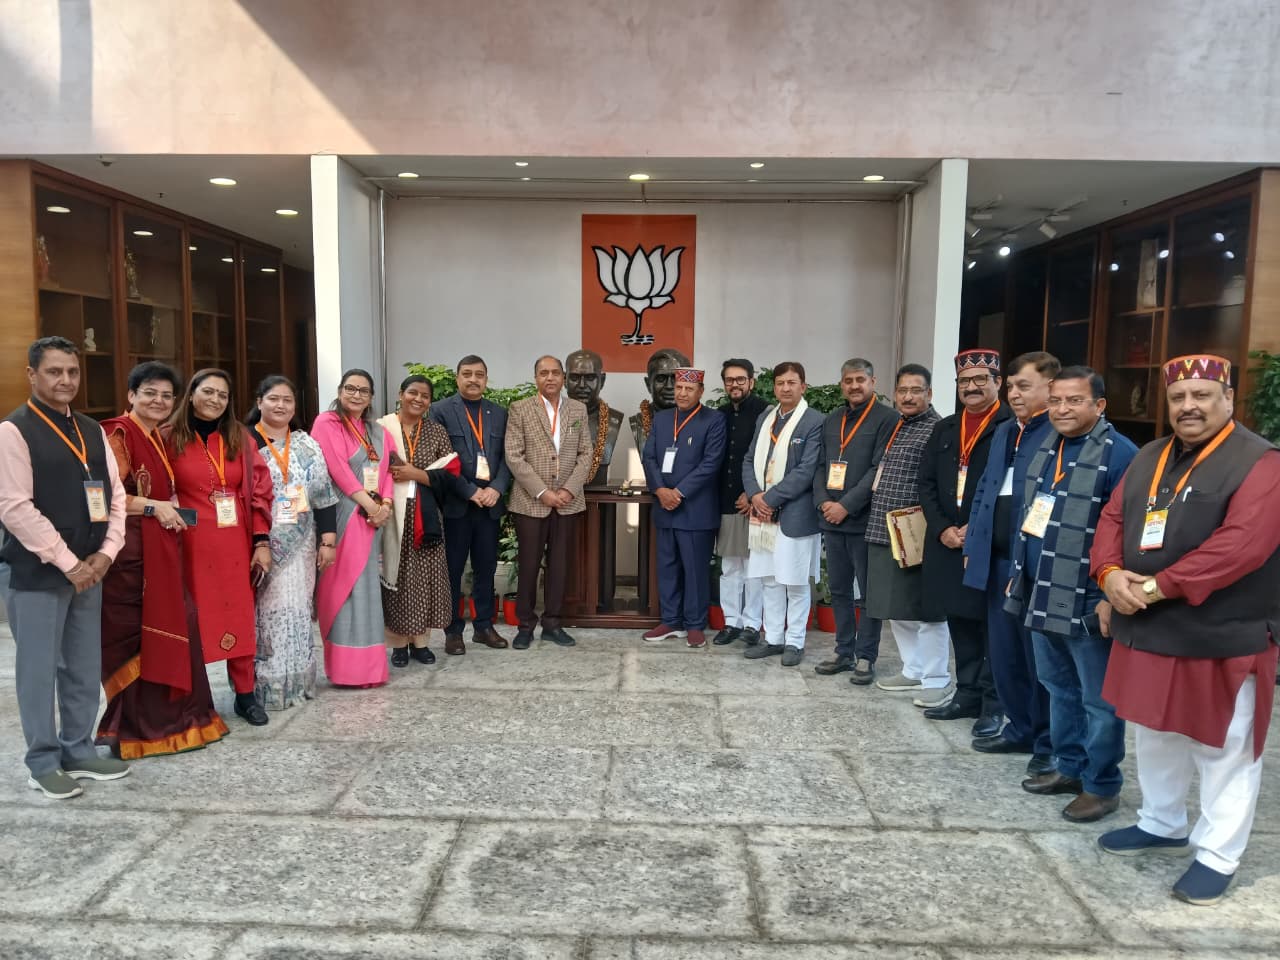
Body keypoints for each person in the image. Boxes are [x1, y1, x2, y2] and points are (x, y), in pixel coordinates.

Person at [1094, 355, 1280, 905]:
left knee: (1225, 744)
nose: (1188, 406)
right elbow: (1113, 518)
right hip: (1149, 626)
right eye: (1178, 397)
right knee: (1154, 731)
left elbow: (1241, 546)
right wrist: (1108, 575)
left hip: (1222, 630)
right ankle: (1162, 821)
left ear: (1228, 398)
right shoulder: (1149, 454)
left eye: (1202, 395)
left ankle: (1219, 854)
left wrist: (1156, 587)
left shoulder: (1261, 462)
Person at [1003, 366, 1136, 823]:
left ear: (1099, 405)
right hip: (1042, 589)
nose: (1062, 409)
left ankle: (1101, 784)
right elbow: (1029, 517)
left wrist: (1110, 596)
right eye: (1056, 400)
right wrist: (1019, 573)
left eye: (1074, 400)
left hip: (1088, 596)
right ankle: (1070, 766)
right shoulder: (1049, 446)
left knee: (1098, 699)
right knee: (1059, 687)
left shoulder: (1120, 455)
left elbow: (1128, 533)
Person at [0, 337, 129, 798]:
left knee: (82, 665)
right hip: (38, 573)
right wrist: (70, 563)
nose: (66, 380)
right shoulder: (13, 431)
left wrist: (107, 553)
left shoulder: (92, 429)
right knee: (38, 670)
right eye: (54, 372)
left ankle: (78, 748)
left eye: (72, 371)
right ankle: (42, 761)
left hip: (90, 569)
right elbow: (14, 508)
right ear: (32, 375)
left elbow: (115, 495)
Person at [97, 362, 228, 758]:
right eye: (150, 393)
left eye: (167, 395)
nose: (158, 401)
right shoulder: (118, 434)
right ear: (131, 395)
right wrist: (155, 507)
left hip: (161, 551)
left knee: (179, 623)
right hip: (130, 558)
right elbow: (106, 496)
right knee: (142, 637)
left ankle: (180, 721)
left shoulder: (157, 436)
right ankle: (140, 731)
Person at [965, 352, 1060, 772]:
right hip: (996, 559)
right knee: (1004, 653)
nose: (1014, 394)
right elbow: (986, 489)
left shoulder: (1057, 432)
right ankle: (1019, 726)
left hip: (1034, 564)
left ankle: (1048, 741)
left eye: (1024, 386)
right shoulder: (1006, 430)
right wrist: (974, 541)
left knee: (1039, 658)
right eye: (1011, 387)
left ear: (1050, 389)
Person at [167, 368, 274, 726]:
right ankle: (197, 698)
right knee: (195, 619)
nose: (215, 400)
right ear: (191, 394)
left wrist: (261, 540)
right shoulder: (169, 437)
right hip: (190, 545)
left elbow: (261, 491)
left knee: (238, 616)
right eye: (208, 392)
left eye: (223, 395)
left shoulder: (240, 438)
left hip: (235, 544)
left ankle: (245, 695)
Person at [917, 350, 1010, 729]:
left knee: (991, 626)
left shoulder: (1009, 427)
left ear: (998, 383)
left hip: (987, 543)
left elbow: (1011, 490)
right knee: (959, 620)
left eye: (980, 380)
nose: (971, 387)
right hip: (947, 542)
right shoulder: (945, 428)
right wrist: (942, 528)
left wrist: (977, 529)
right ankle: (967, 694)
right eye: (964, 381)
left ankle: (994, 703)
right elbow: (925, 483)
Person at [247, 375, 339, 709]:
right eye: (273, 398)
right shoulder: (243, 442)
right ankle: (263, 688)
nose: (281, 405)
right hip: (260, 542)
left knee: (298, 609)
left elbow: (323, 493)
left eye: (287, 400)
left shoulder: (306, 443)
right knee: (265, 613)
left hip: (302, 542)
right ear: (259, 402)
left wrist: (328, 539)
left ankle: (299, 682)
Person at [866, 364, 949, 702]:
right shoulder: (899, 424)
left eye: (916, 390)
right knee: (896, 606)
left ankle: (936, 678)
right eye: (903, 390)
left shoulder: (938, 429)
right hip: (886, 529)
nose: (909, 396)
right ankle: (913, 669)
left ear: (929, 393)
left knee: (925, 609)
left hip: (917, 534)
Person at [811, 358, 898, 682]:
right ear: (841, 385)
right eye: (848, 381)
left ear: (873, 382)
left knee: (868, 593)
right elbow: (820, 464)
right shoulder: (832, 419)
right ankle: (843, 651)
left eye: (860, 379)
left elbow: (879, 469)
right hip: (832, 520)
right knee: (839, 589)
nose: (854, 386)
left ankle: (866, 656)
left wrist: (846, 506)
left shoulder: (887, 418)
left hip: (865, 521)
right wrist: (823, 501)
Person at [312, 369, 397, 687]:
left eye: (363, 390)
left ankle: (370, 669)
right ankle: (345, 670)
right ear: (340, 391)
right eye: (350, 388)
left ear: (371, 397)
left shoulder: (378, 431)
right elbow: (337, 469)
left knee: (367, 592)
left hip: (372, 521)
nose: (356, 395)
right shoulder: (327, 423)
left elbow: (389, 471)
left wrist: (385, 505)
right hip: (342, 516)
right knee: (343, 590)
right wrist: (370, 505)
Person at [504, 354, 592, 649]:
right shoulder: (520, 409)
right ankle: (525, 625)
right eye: (544, 373)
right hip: (531, 502)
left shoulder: (578, 409)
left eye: (555, 372)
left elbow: (586, 453)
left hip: (568, 501)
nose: (550, 378)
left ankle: (553, 623)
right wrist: (543, 492)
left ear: (563, 377)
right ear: (536, 378)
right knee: (528, 565)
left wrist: (568, 490)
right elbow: (514, 456)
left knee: (560, 565)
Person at [742, 362, 824, 667]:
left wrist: (769, 498)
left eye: (792, 382)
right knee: (769, 580)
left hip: (795, 514)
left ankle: (795, 642)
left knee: (796, 582)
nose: (785, 388)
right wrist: (755, 495)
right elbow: (749, 459)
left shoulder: (815, 420)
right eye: (780, 383)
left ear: (803, 386)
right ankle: (774, 638)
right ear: (774, 387)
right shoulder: (766, 417)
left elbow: (807, 470)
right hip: (763, 514)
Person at [641, 367, 727, 647]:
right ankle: (671, 621)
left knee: (695, 570)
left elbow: (711, 463)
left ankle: (694, 624)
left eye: (689, 389)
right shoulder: (663, 418)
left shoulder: (713, 420)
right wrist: (660, 490)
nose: (682, 393)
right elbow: (649, 457)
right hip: (664, 508)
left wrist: (678, 492)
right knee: (667, 567)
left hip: (695, 510)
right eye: (679, 387)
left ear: (700, 391)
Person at [431, 354, 512, 650]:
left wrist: (497, 489)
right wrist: (469, 491)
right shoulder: (440, 411)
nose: (473, 379)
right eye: (467, 374)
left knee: (485, 568)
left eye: (479, 374)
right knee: (452, 569)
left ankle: (484, 626)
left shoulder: (499, 413)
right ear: (457, 378)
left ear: (486, 380)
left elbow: (508, 457)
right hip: (457, 504)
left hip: (489, 505)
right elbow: (441, 459)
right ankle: (453, 631)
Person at [378, 375, 456, 661]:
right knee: (397, 578)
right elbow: (371, 467)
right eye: (413, 392)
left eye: (425, 396)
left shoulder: (436, 431)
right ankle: (399, 644)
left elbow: (450, 473)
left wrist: (416, 474)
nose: (418, 399)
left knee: (424, 580)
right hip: (391, 514)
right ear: (401, 394)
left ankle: (421, 643)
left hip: (426, 516)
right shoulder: (381, 428)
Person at [713, 359, 768, 647]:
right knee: (730, 567)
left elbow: (769, 459)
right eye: (729, 380)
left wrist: (752, 493)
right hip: (726, 502)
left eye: (740, 379)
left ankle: (752, 624)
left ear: (751, 382)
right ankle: (731, 622)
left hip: (755, 502)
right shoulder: (719, 414)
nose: (735, 384)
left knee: (754, 568)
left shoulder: (765, 412)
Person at [565, 348, 625, 487]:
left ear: (602, 381)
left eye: (590, 378)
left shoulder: (613, 420)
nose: (582, 385)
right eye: (574, 378)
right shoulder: (552, 418)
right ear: (564, 380)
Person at [629, 347, 690, 452]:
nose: (669, 386)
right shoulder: (637, 423)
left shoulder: (702, 423)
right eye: (661, 379)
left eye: (676, 379)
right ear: (648, 384)